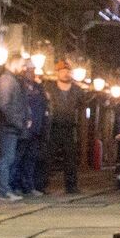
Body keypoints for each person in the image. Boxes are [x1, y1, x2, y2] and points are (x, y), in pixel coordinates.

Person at [0, 61, 28, 203]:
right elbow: (4, 104)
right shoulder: (7, 80)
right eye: (21, 64)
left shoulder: (11, 80)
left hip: (10, 126)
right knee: (6, 158)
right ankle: (2, 191)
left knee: (8, 158)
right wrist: (17, 122)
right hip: (7, 126)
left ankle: (5, 189)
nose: (23, 67)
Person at [48, 64, 85, 194]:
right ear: (57, 73)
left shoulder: (77, 90)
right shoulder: (49, 88)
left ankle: (71, 186)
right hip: (53, 127)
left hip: (69, 127)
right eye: (62, 71)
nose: (65, 73)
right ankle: (41, 185)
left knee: (70, 158)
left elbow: (82, 108)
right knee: (48, 156)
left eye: (68, 71)